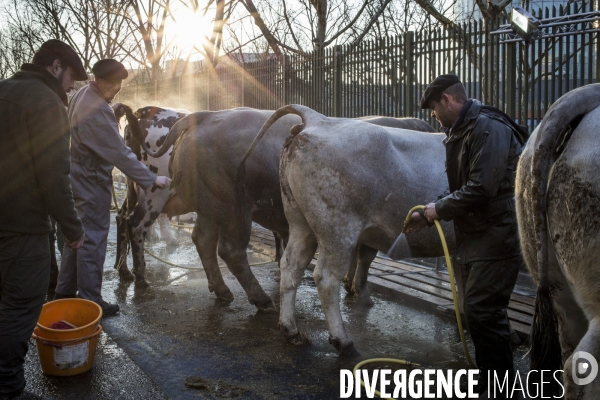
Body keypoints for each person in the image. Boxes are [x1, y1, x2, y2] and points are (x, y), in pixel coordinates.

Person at [406, 74, 526, 398]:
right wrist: (428, 215)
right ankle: (493, 381)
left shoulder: (489, 127)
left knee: (483, 311)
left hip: (499, 235)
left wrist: (437, 210)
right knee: (481, 313)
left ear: (447, 100)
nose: (433, 115)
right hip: (479, 236)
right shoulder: (463, 131)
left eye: (433, 108)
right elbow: (464, 188)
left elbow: (482, 188)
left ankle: (500, 388)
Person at [0, 39, 87, 400]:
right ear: (55, 66)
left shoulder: (4, 90)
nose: (70, 86)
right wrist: (72, 228)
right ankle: (7, 388)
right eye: (70, 78)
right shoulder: (47, 103)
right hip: (23, 225)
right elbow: (54, 176)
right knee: (21, 304)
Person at [54, 59, 171, 316]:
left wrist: (111, 108)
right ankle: (91, 300)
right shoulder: (96, 109)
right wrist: (152, 180)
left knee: (76, 237)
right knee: (93, 239)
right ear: (99, 80)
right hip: (92, 180)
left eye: (120, 83)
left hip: (78, 173)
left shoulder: (83, 94)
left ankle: (64, 292)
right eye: (113, 83)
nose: (117, 87)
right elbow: (120, 153)